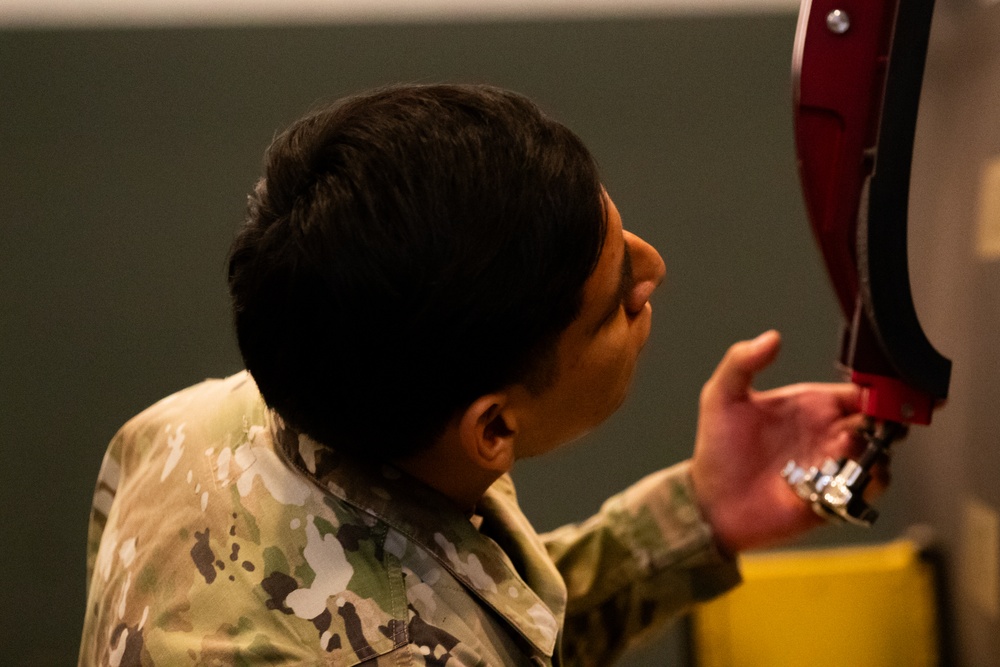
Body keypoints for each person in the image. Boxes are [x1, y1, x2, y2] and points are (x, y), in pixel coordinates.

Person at [79, 84, 866, 666]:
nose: (652, 270)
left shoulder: (192, 428)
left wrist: (701, 512)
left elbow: (464, 615)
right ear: (492, 427)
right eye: (612, 298)